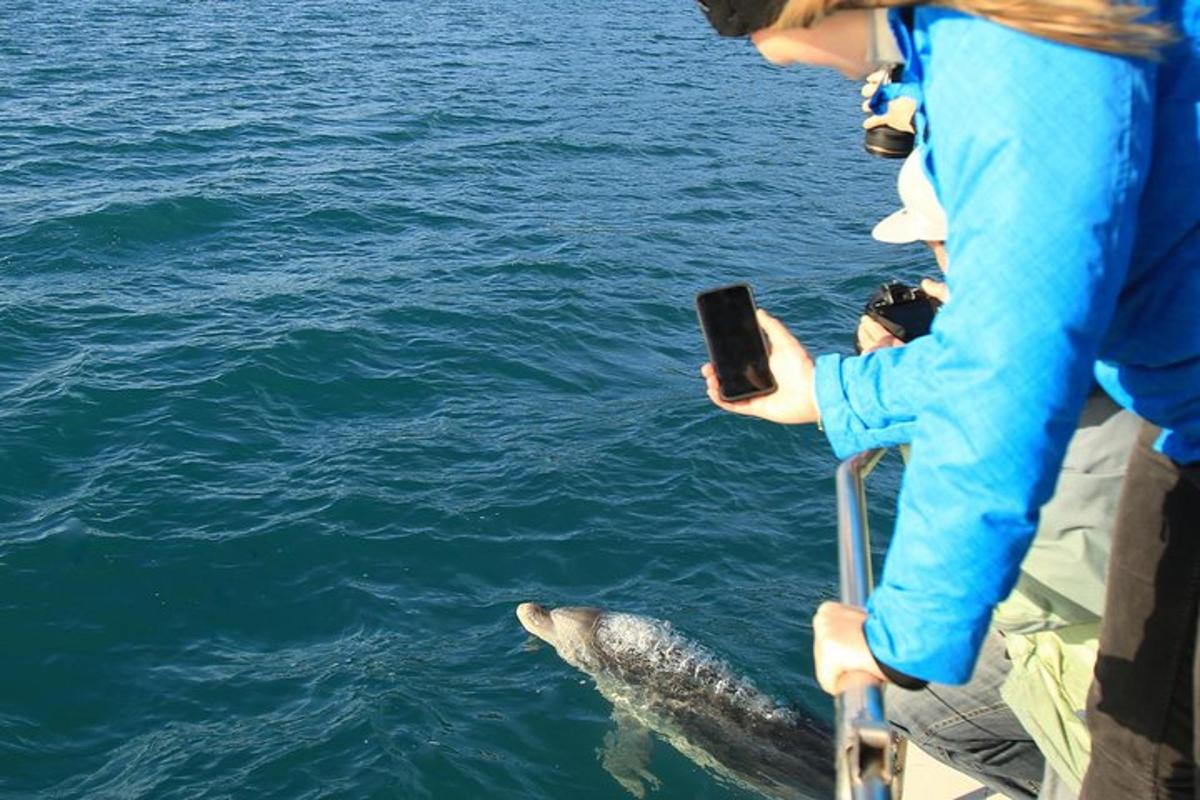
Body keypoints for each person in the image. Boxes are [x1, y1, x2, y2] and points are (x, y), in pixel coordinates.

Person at [689, 1, 1200, 797]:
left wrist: (900, 643)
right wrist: (831, 390)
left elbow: (1008, 370)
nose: (779, 63)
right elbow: (1024, 339)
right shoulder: (1006, 35)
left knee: (1139, 771)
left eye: (763, 39)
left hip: (1186, 449)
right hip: (1176, 428)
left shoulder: (1017, 53)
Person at [860, 150, 1138, 799]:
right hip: (1100, 623)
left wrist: (918, 379)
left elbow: (1012, 515)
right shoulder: (1138, 313)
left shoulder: (1089, 381)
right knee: (918, 710)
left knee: (913, 702)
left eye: (941, 244)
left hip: (1116, 661)